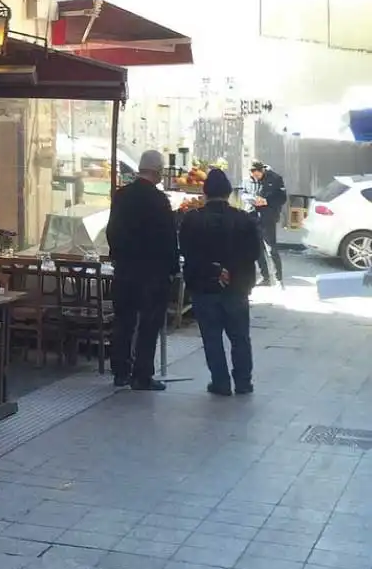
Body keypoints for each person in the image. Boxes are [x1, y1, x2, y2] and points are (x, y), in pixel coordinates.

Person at [178, 168, 262, 395]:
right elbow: (254, 252)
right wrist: (229, 269)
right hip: (237, 287)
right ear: (228, 192)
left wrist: (213, 268)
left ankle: (220, 382)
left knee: (212, 337)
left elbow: (186, 250)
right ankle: (243, 382)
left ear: (205, 192)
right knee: (240, 337)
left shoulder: (192, 220)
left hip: (204, 286)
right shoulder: (244, 220)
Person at [106, 148, 179, 391]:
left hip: (125, 269)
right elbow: (169, 238)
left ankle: (120, 371)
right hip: (152, 272)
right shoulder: (159, 201)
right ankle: (142, 375)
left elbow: (112, 230)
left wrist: (117, 254)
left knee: (123, 321)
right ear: (158, 172)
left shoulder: (121, 195)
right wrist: (172, 268)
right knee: (149, 325)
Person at [249, 161, 287, 287]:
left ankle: (278, 278)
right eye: (253, 174)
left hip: (269, 216)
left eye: (257, 173)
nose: (255, 176)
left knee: (271, 248)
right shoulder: (251, 179)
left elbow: (282, 198)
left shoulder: (275, 178)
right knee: (258, 249)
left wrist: (267, 201)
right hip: (255, 216)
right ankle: (265, 277)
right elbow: (246, 192)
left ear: (262, 170)